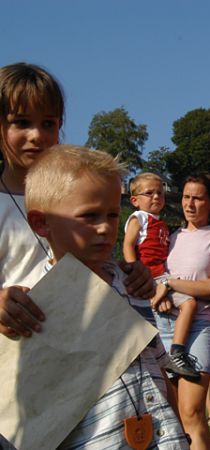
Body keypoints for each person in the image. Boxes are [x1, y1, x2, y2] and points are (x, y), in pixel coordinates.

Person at [17, 144, 188, 448]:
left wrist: (181, 433)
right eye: (89, 216)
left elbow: (158, 365)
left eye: (111, 215)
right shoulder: (33, 304)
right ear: (41, 223)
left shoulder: (133, 284)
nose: (105, 228)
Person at [0, 62, 153, 339]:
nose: (36, 135)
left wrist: (130, 273)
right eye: (22, 122)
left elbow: (94, 261)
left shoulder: (81, 193)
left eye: (48, 123)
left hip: (86, 341)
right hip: (21, 349)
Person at [153, 173, 210, 450]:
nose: (190, 204)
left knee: (192, 412)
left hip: (199, 326)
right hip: (164, 325)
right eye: (186, 197)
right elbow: (153, 272)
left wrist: (170, 283)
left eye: (197, 198)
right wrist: (159, 292)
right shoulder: (170, 235)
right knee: (176, 416)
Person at [124, 172, 199, 378]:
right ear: (135, 200)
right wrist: (136, 273)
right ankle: (177, 351)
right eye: (149, 193)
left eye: (160, 193)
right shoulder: (139, 218)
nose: (156, 197)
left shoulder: (161, 224)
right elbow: (128, 245)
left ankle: (171, 352)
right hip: (150, 276)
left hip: (162, 276)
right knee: (189, 304)